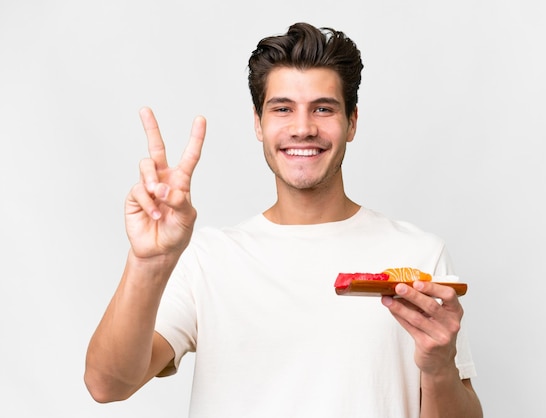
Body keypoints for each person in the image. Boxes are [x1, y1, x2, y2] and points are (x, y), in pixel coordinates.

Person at [84, 22, 483, 418]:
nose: (303, 128)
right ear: (259, 123)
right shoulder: (209, 258)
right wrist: (147, 262)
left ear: (352, 123)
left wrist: (437, 369)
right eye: (282, 109)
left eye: (323, 109)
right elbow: (107, 385)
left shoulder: (419, 256)